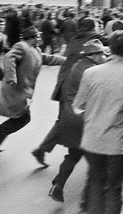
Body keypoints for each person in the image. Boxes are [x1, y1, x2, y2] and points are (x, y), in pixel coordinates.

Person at [73, 31, 123, 214]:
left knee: (96, 183)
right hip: (117, 143)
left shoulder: (90, 73)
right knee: (114, 188)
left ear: (109, 48)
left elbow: (78, 105)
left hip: (93, 139)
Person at [33, 40, 108, 204]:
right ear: (93, 55)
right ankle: (88, 203)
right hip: (83, 121)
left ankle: (58, 185)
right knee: (98, 163)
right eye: (101, 53)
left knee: (73, 154)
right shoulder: (91, 70)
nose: (104, 56)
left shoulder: (79, 65)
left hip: (71, 117)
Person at [0, 26, 65, 152]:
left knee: (21, 118)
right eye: (37, 36)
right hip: (15, 90)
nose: (39, 38)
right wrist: (11, 77)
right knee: (23, 118)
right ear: (31, 38)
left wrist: (67, 61)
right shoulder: (22, 46)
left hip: (23, 92)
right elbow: (8, 57)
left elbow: (49, 58)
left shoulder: (36, 50)